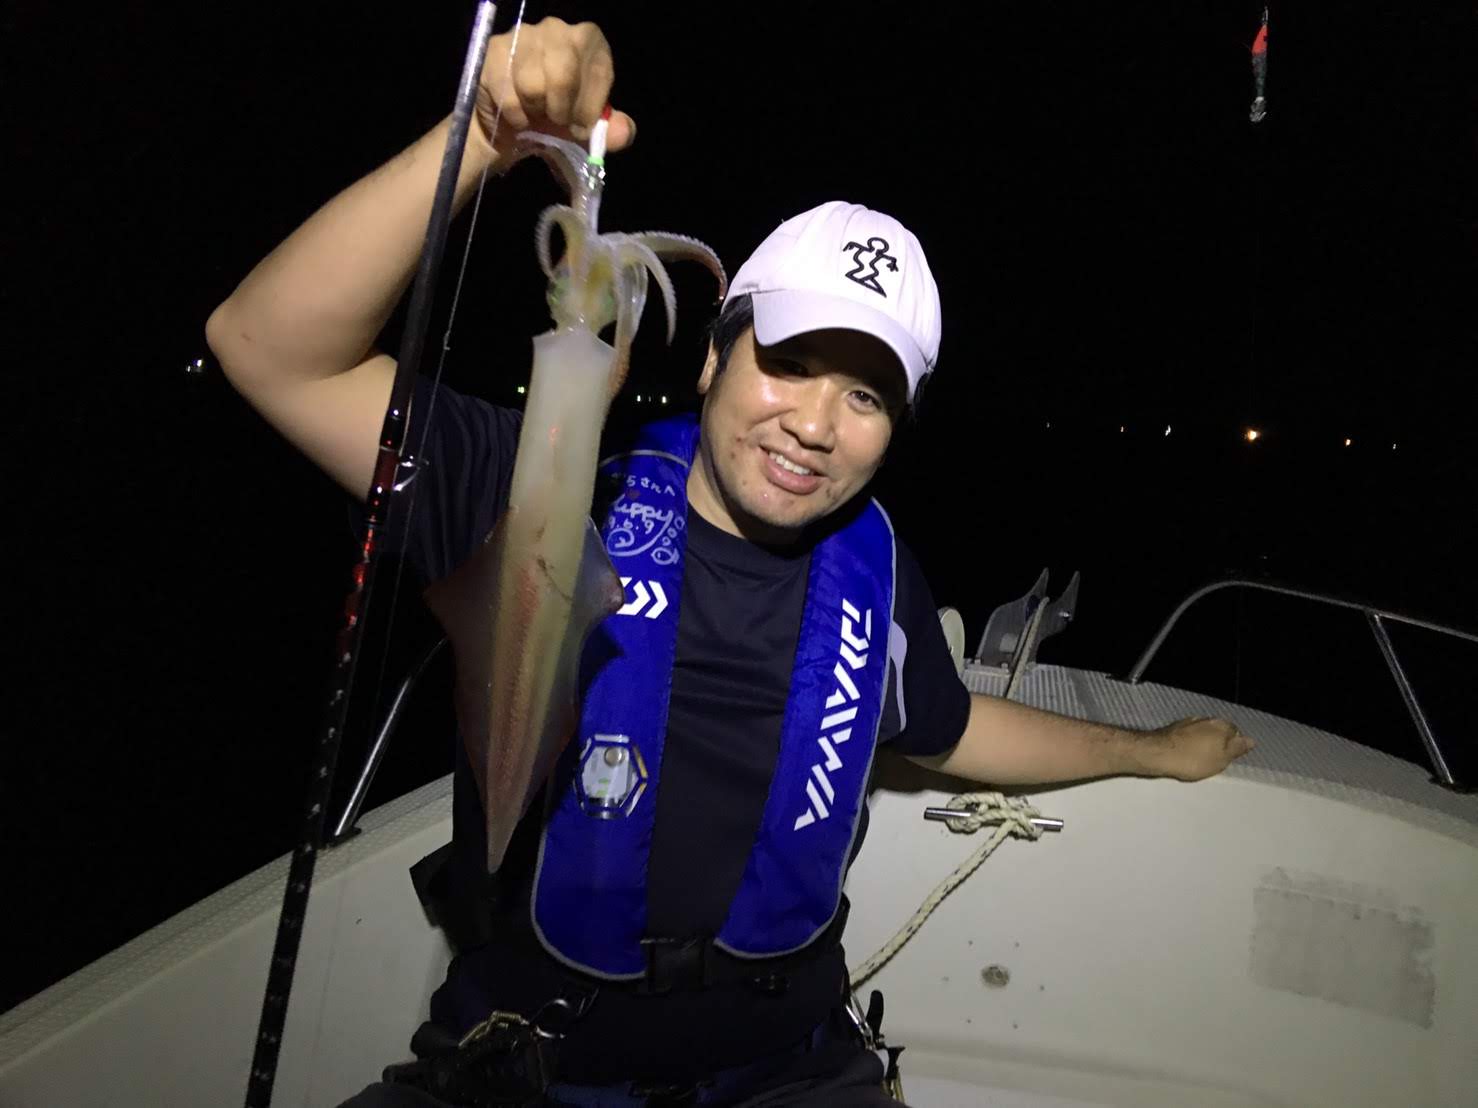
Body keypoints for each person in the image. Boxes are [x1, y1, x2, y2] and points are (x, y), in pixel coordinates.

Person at [206, 17, 1254, 1107]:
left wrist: (1147, 752)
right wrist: (481, 136)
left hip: (792, 1069)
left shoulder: (875, 568)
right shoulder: (547, 494)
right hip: (529, 1066)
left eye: (865, 395)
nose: (814, 424)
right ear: (712, 358)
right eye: (788, 363)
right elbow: (267, 351)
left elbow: (944, 729)